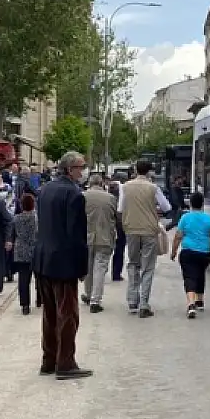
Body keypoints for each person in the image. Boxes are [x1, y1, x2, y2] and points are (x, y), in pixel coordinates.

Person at [33, 151, 93, 380]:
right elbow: (76, 235)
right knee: (67, 314)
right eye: (81, 166)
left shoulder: (46, 189)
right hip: (63, 262)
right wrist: (81, 267)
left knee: (49, 314)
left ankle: (49, 360)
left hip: (43, 259)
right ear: (70, 169)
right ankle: (65, 363)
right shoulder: (74, 194)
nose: (83, 170)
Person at [118, 160, 171, 317]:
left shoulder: (125, 187)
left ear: (135, 170)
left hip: (131, 229)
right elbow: (167, 207)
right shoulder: (153, 188)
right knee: (148, 267)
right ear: (149, 172)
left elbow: (120, 208)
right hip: (149, 230)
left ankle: (132, 300)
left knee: (133, 264)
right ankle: (144, 304)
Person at [170, 191, 210, 319]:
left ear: (190, 204)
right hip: (204, 254)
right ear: (202, 204)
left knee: (189, 277)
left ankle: (191, 304)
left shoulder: (185, 218)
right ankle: (200, 300)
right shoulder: (208, 218)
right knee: (200, 274)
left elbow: (178, 236)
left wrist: (173, 251)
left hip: (187, 252)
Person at [82, 174, 117, 313]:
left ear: (89, 183)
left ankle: (89, 294)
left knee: (88, 268)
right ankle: (95, 300)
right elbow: (115, 216)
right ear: (102, 183)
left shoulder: (82, 196)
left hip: (86, 236)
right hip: (105, 237)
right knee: (100, 268)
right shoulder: (111, 198)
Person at [10, 194, 40, 315]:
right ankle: (40, 298)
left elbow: (12, 234)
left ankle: (25, 305)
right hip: (35, 250)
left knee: (23, 280)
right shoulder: (37, 218)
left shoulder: (16, 219)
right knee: (39, 277)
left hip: (21, 250)